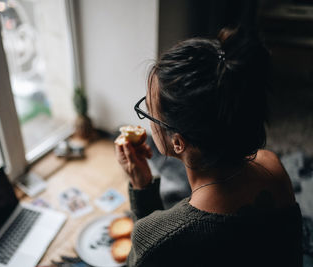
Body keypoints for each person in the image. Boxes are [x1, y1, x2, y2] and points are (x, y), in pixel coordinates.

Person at [115, 27, 302, 267]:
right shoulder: (271, 166)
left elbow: (154, 250)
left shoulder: (158, 238)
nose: (147, 120)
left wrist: (142, 192)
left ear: (178, 142)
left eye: (149, 111)